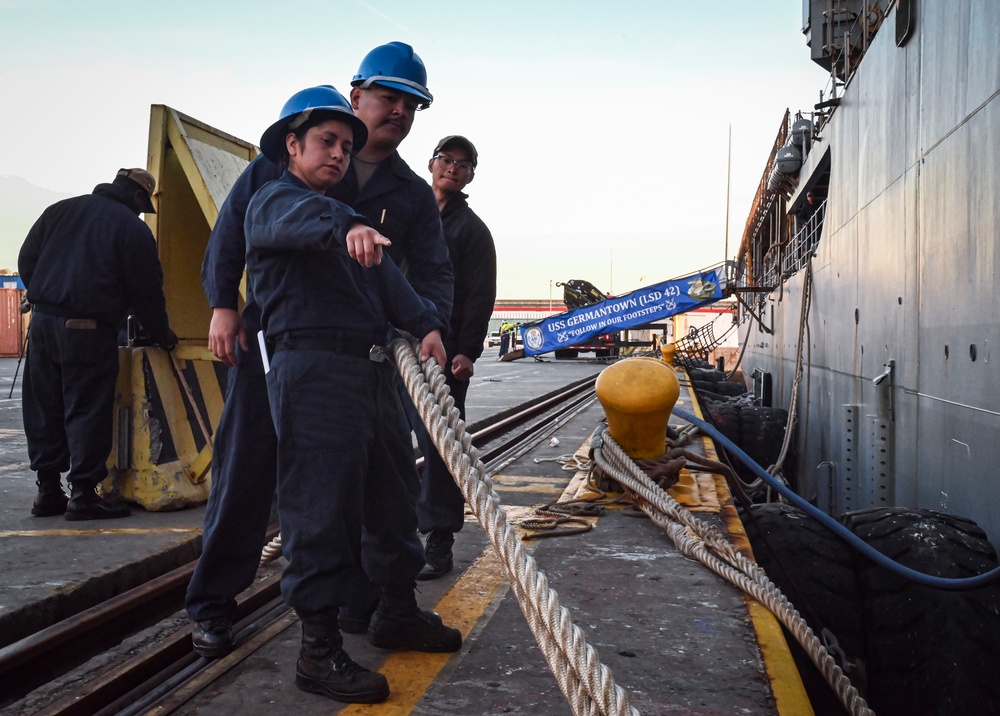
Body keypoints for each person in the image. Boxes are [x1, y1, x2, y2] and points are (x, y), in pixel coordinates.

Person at [187, 42, 453, 659]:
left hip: (367, 351)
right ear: (356, 95)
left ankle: (381, 603)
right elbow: (236, 227)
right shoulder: (277, 171)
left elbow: (429, 273)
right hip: (276, 343)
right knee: (247, 471)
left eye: (411, 105)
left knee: (381, 476)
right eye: (388, 98)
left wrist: (428, 325)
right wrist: (223, 303)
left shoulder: (410, 193)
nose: (400, 112)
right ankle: (214, 607)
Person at [244, 85, 460, 705]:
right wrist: (348, 225)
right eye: (327, 142)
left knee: (393, 498)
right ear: (292, 145)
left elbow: (391, 279)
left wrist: (425, 325)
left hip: (370, 372)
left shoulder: (348, 220)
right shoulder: (276, 202)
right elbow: (306, 222)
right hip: (313, 373)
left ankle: (396, 608)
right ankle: (318, 651)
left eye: (346, 145)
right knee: (321, 511)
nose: (340, 154)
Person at [18, 168, 177, 520]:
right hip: (88, 329)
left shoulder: (59, 210)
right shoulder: (132, 228)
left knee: (44, 405)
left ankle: (48, 491)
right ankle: (84, 495)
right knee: (86, 407)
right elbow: (147, 291)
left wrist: (51, 296)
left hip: (42, 325)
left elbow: (27, 259)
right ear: (138, 197)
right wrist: (161, 332)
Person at [415, 136, 496, 579]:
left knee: (441, 447)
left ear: (470, 176)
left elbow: (479, 297)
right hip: (397, 349)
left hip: (445, 356)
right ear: (431, 163)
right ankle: (397, 533)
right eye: (446, 159)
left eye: (463, 164)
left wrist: (467, 350)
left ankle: (439, 540)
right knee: (387, 444)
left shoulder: (473, 231)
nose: (452, 168)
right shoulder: (411, 214)